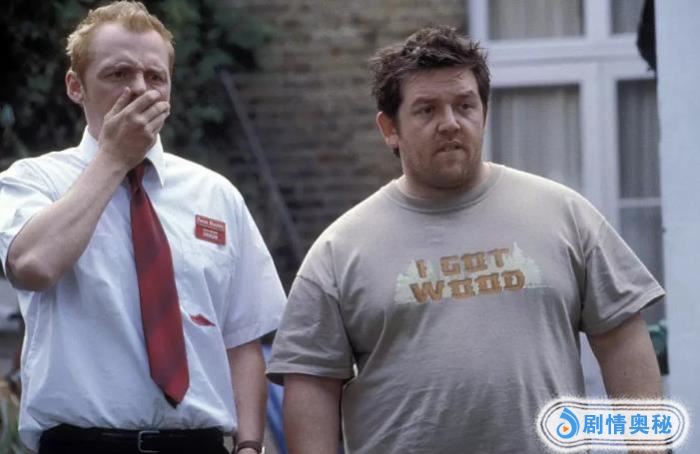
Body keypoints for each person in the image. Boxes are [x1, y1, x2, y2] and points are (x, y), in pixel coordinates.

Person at [266, 26, 664, 453]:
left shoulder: (564, 214)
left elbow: (622, 340)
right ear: (389, 128)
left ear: (484, 112)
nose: (450, 123)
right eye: (426, 110)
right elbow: (312, 384)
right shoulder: (340, 250)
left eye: (464, 105)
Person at [0, 2, 285, 453]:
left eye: (155, 77)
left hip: (198, 445)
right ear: (75, 86)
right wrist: (115, 157)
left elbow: (243, 338)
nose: (139, 88)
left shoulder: (215, 194)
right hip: (82, 445)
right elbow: (33, 266)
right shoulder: (34, 181)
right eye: (118, 74)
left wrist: (250, 444)